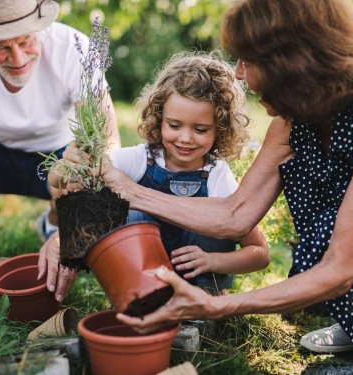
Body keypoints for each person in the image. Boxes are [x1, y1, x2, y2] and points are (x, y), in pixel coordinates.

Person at [49, 0, 353, 372]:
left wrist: (216, 305)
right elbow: (236, 213)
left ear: (292, 61)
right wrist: (67, 229)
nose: (239, 74)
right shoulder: (294, 121)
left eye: (247, 60)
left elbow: (339, 270)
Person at [44, 51, 269, 298]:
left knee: (216, 219)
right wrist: (66, 164)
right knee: (130, 212)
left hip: (199, 281)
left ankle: (210, 297)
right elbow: (59, 181)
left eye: (201, 129)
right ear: (159, 119)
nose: (185, 138)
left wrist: (213, 261)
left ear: (220, 129)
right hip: (143, 276)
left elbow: (259, 253)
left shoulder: (217, 176)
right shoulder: (141, 159)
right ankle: (139, 293)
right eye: (174, 125)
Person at [0, 0, 121, 242]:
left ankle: (54, 219)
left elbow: (107, 139)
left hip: (58, 158)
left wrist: (83, 170)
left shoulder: (73, 49)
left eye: (26, 41)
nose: (18, 59)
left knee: (88, 185)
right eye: (1, 48)